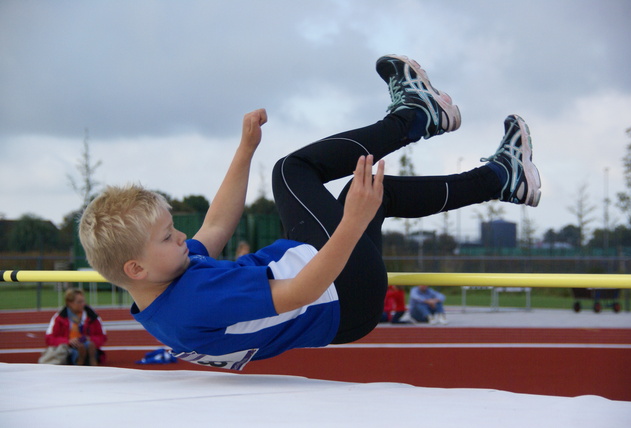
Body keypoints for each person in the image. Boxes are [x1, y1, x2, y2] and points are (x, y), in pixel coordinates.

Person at [79, 54, 540, 370]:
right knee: (293, 170)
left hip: (335, 294)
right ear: (135, 266)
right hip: (336, 288)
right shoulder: (197, 297)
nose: (180, 237)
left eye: (172, 229)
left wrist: (244, 151)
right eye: (166, 237)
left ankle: (503, 178)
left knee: (379, 193)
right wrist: (352, 224)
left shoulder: (162, 289)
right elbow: (302, 289)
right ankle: (417, 116)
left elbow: (216, 225)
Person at [44, 288, 107, 365]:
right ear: (69, 303)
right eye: (79, 302)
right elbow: (49, 339)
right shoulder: (59, 318)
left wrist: (90, 338)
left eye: (83, 301)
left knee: (89, 346)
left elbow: (102, 337)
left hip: (88, 344)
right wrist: (68, 341)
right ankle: (81, 359)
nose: (83, 304)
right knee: (72, 352)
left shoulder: (93, 316)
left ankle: (87, 358)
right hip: (69, 347)